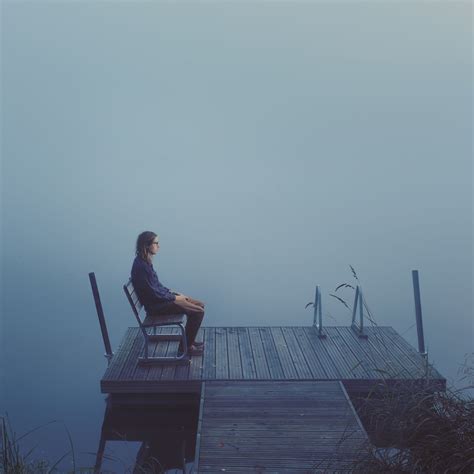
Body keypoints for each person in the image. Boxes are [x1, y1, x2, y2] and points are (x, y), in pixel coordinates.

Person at [131, 231, 205, 356]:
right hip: (156, 307)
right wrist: (175, 298)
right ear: (147, 245)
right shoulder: (141, 267)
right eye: (156, 243)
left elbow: (157, 286)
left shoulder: (145, 262)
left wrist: (173, 293)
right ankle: (185, 348)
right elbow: (153, 294)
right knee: (198, 312)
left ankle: (188, 341)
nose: (158, 246)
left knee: (200, 305)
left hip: (160, 301)